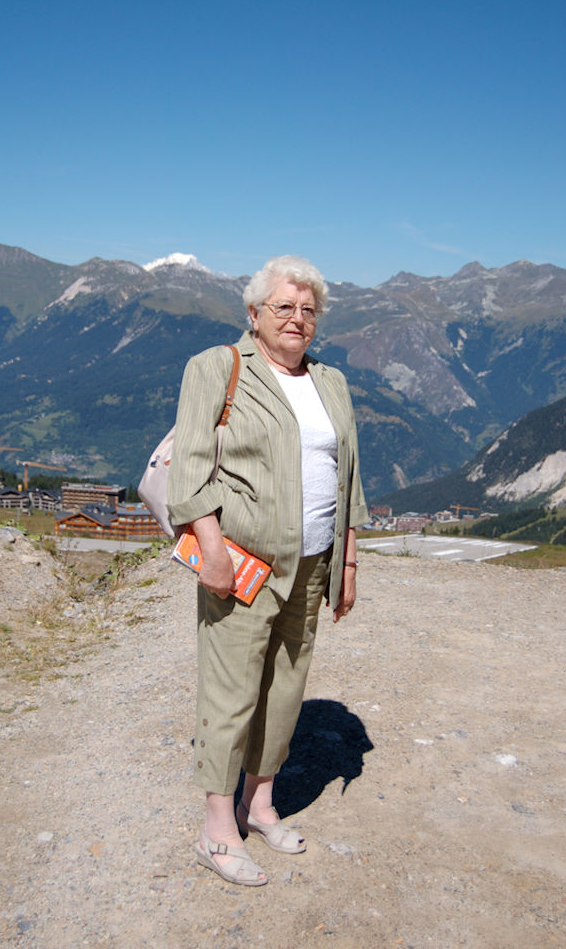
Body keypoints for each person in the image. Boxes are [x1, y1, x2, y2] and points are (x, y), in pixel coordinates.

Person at [167, 255, 368, 886]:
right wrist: (212, 548)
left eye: (309, 310)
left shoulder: (330, 381)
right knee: (230, 696)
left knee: (285, 690)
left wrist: (350, 558)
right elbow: (191, 466)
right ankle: (216, 830)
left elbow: (349, 473)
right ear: (254, 314)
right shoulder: (216, 368)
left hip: (312, 563)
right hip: (244, 562)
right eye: (284, 307)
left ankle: (258, 805)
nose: (298, 320)